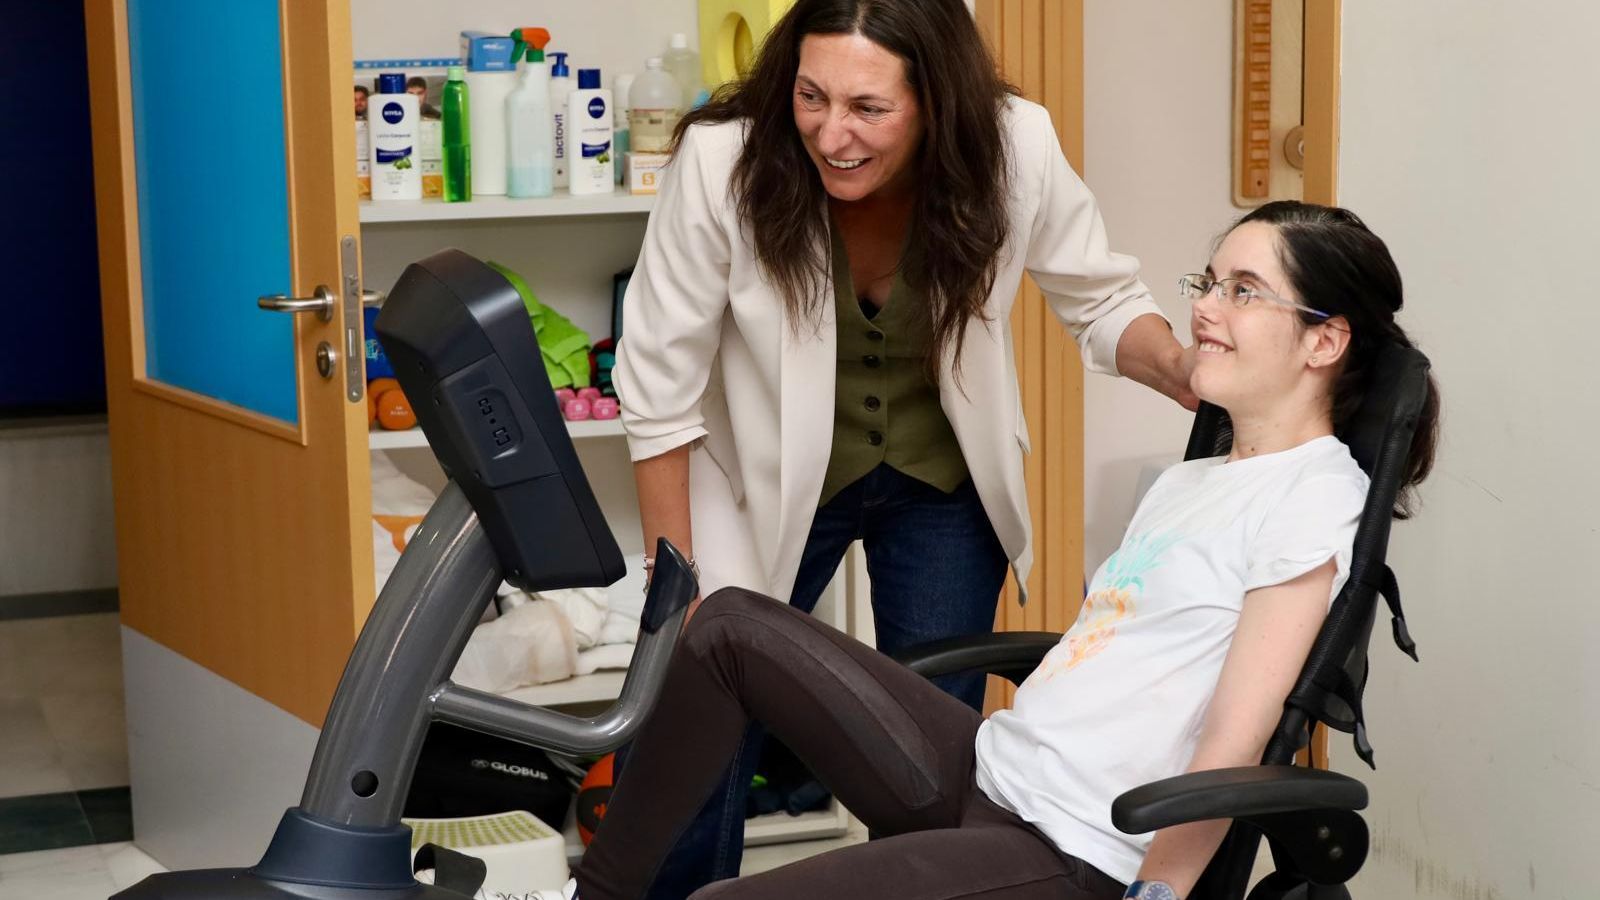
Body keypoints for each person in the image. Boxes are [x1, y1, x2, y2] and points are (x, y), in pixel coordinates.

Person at [550, 201, 1440, 900]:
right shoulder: (1196, 478)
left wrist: (1160, 892)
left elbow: (1231, 749)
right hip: (993, 765)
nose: (1204, 308)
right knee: (733, 626)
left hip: (1070, 848)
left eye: (1244, 291)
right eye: (1208, 283)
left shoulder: (1313, 498)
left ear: (1325, 339)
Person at [612, 0, 1192, 889]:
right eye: (811, 96)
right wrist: (675, 574)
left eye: (868, 109)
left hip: (941, 487)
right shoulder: (726, 159)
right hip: (756, 487)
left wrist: (1188, 371)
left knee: (921, 749)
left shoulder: (1014, 147)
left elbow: (1100, 298)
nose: (832, 133)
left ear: (937, 102)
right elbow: (658, 383)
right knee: (705, 719)